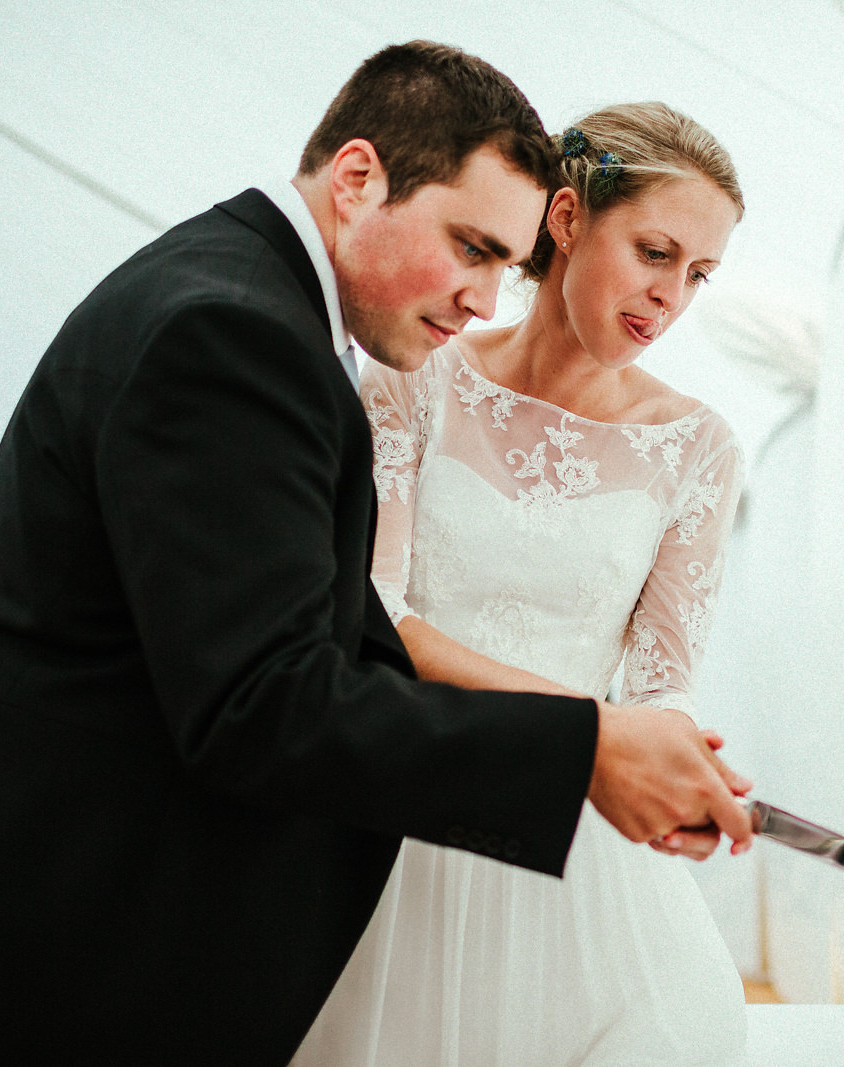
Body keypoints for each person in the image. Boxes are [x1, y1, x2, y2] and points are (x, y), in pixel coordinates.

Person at [0, 42, 752, 1067]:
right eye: (470, 245)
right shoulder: (234, 331)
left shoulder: (246, 299)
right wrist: (584, 743)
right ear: (356, 179)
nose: (484, 296)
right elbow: (268, 696)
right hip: (55, 906)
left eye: (498, 262)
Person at [291, 102, 749, 1067]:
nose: (671, 296)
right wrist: (589, 729)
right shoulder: (415, 380)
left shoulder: (699, 449)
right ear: (570, 218)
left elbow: (663, 682)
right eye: (655, 252)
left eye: (699, 275)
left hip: (582, 861)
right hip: (407, 817)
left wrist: (671, 746)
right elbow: (378, 615)